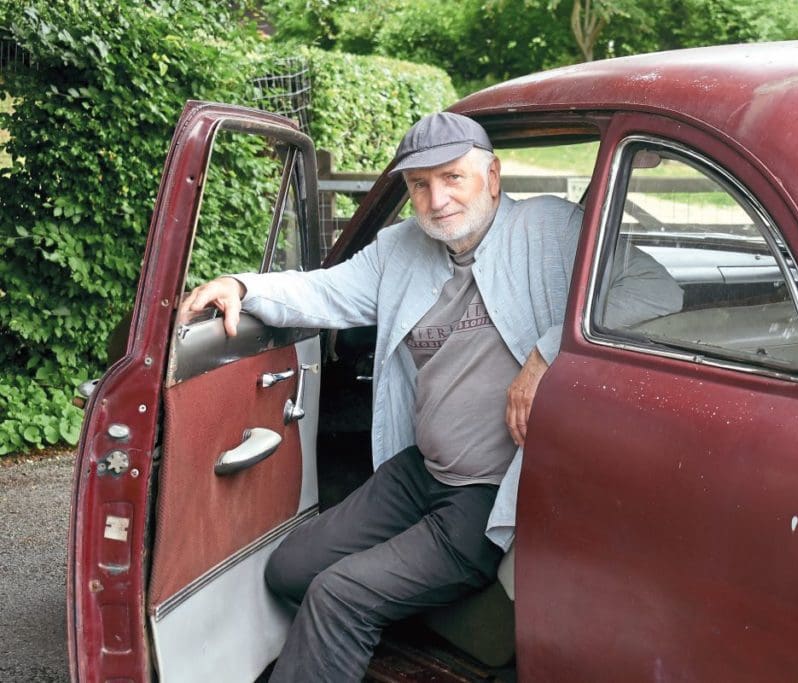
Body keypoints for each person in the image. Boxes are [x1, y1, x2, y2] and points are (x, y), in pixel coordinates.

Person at [180, 112, 681, 681]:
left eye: (453, 178)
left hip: (490, 495)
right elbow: (323, 290)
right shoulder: (401, 248)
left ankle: (355, 619)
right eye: (420, 184)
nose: (437, 199)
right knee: (290, 569)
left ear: (492, 175)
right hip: (421, 470)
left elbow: (655, 288)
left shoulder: (550, 229)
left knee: (338, 595)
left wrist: (545, 356)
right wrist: (244, 286)